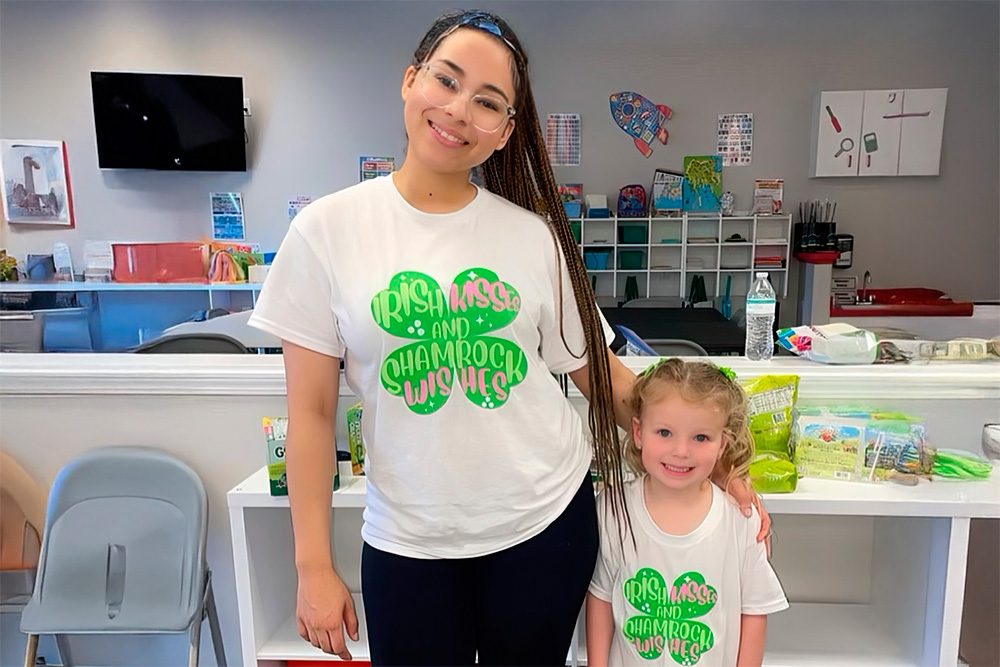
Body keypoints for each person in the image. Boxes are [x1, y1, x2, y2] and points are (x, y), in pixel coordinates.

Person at [249, 10, 768, 666]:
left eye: (488, 102)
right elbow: (312, 414)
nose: (461, 109)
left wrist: (715, 459)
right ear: (410, 82)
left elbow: (599, 374)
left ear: (504, 134)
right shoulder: (325, 232)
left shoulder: (534, 237)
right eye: (447, 80)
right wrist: (312, 565)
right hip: (409, 542)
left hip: (544, 527)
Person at [587, 359, 787, 667]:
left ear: (723, 444)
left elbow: (754, 610)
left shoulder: (741, 520)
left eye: (700, 437)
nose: (681, 451)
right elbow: (600, 596)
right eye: (664, 432)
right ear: (638, 432)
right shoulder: (613, 510)